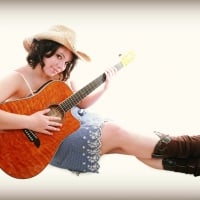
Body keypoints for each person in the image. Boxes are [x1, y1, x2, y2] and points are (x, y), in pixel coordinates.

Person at [0, 24, 200, 177]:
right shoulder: (17, 78)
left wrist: (105, 87)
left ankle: (194, 165)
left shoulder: (61, 76)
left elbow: (81, 103)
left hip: (76, 121)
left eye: (66, 61)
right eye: (58, 56)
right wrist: (30, 122)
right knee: (119, 134)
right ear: (42, 50)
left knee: (131, 145)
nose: (61, 65)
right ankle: (193, 144)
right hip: (45, 143)